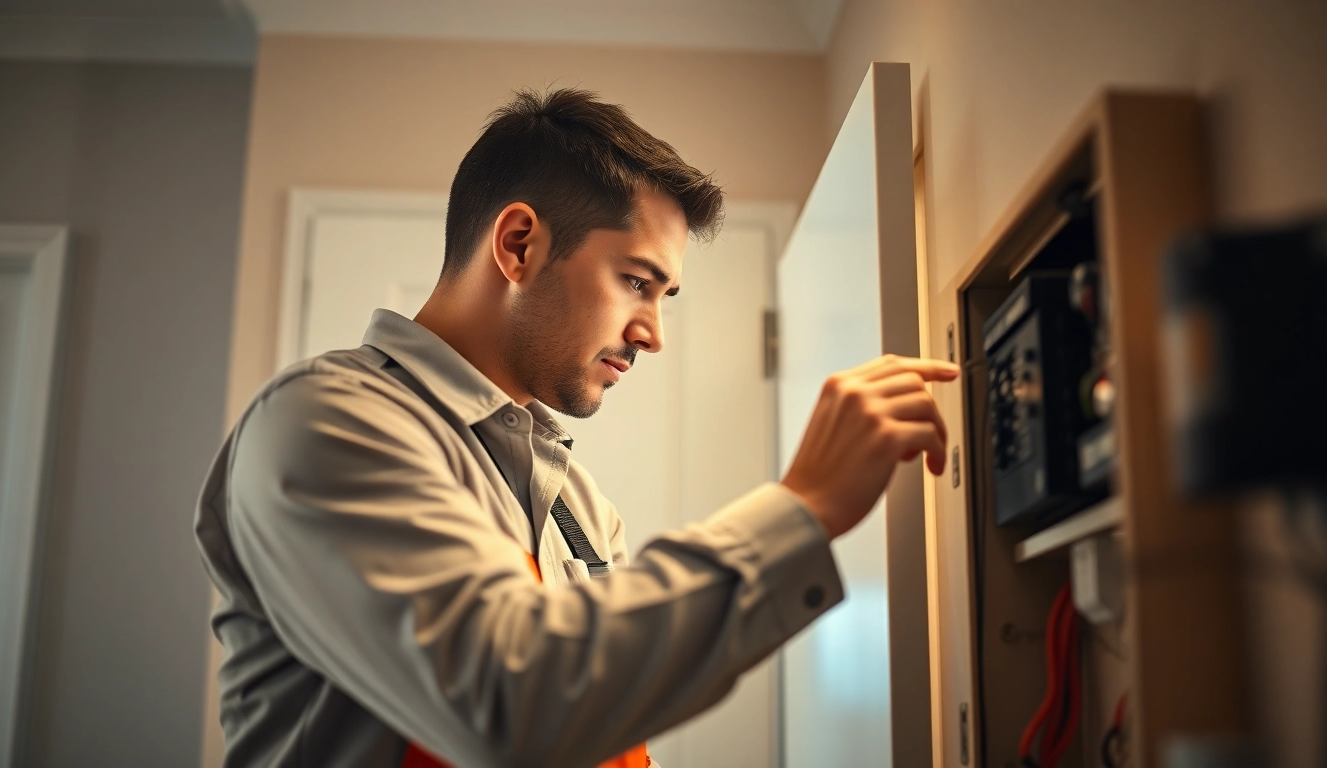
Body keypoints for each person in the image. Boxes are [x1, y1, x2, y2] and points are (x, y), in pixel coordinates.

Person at [194, 87, 959, 768]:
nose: (652, 333)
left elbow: (593, 715)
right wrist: (802, 508)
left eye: (665, 296)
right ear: (519, 244)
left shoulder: (580, 506)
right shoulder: (324, 423)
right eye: (636, 282)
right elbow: (509, 703)